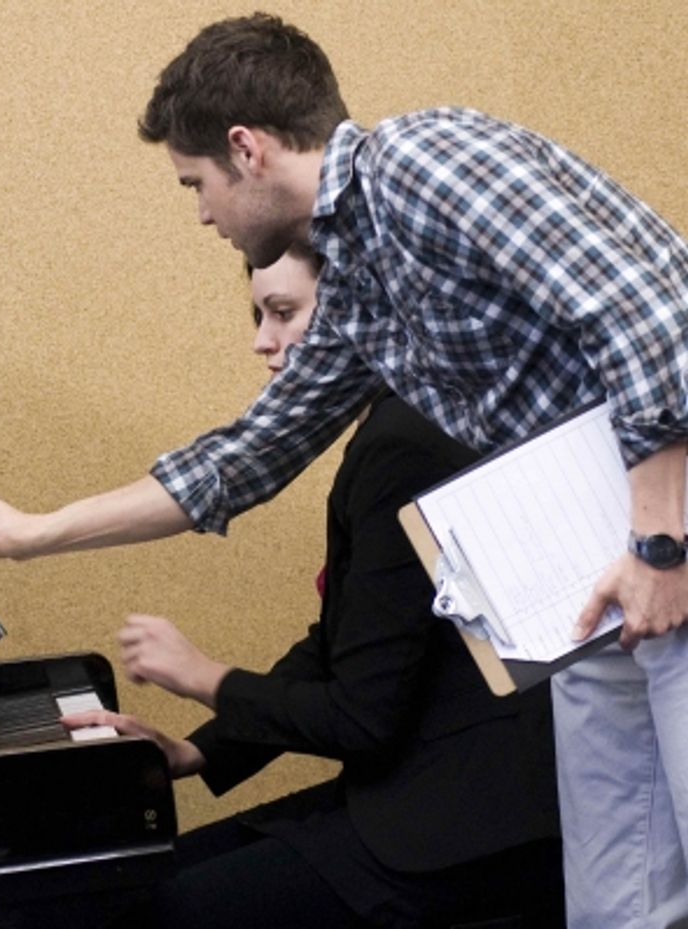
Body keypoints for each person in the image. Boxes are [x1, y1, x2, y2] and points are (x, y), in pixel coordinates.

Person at [0, 13, 688, 928]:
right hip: (600, 577)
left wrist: (659, 542)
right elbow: (244, 458)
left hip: (661, 547)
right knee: (621, 895)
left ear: (246, 149)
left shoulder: (421, 159)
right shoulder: (361, 274)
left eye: (196, 183)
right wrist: (32, 532)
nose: (202, 213)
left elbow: (649, 312)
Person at [61, 247, 562, 928]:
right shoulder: (393, 425)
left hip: (464, 829)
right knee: (149, 878)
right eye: (259, 314)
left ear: (360, 308)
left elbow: (360, 718)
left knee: (167, 906)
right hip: (415, 797)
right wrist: (198, 749)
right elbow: (339, 645)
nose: (262, 341)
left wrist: (206, 676)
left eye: (284, 312)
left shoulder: (402, 441)